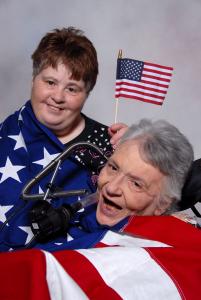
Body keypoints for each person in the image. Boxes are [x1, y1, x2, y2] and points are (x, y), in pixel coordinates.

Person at [0, 27, 126, 252]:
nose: (58, 97)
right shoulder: (8, 133)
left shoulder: (107, 144)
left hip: (72, 267)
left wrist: (137, 156)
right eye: (50, 82)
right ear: (33, 79)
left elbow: (138, 207)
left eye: (72, 88)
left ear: (87, 94)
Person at [22, 118, 194, 252]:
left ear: (163, 204)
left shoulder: (156, 259)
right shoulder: (78, 204)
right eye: (113, 167)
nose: (111, 188)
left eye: (135, 183)